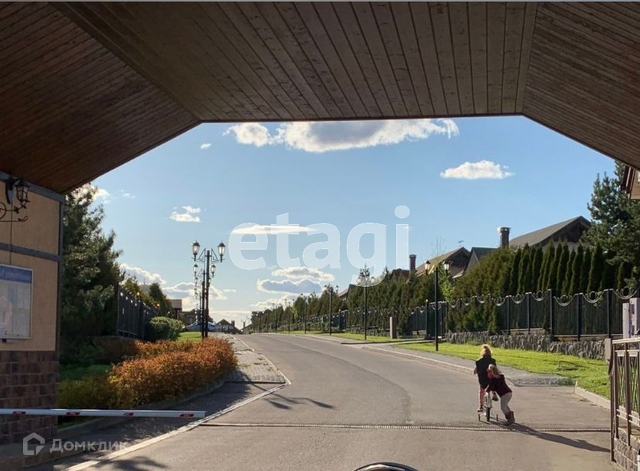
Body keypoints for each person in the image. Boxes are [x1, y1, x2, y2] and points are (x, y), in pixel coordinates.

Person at [473, 344, 496, 412]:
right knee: (493, 384)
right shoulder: (493, 361)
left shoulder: (479, 361)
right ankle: (494, 393)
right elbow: (495, 370)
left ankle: (481, 406)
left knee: (481, 391)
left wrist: (476, 371)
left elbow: (475, 371)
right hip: (491, 379)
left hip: (482, 379)